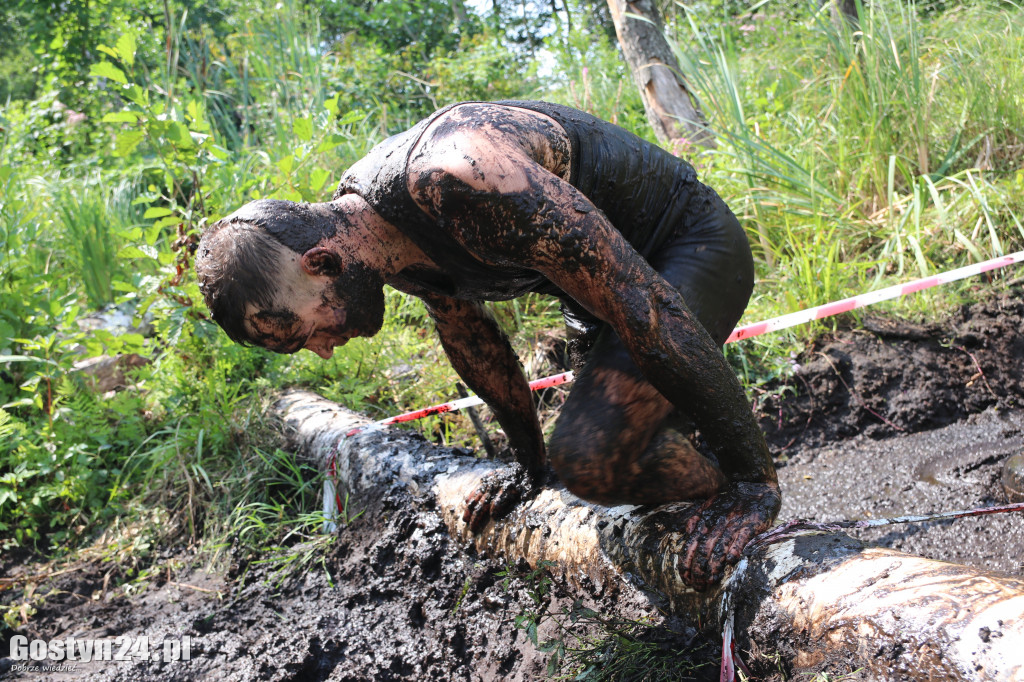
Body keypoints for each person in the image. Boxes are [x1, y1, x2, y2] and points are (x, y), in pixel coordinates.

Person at [195, 100, 780, 588]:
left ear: (320, 262)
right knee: (594, 466)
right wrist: (530, 465)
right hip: (601, 299)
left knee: (592, 454)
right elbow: (471, 337)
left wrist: (755, 484)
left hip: (686, 247)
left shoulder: (456, 177)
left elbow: (644, 303)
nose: (324, 348)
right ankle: (718, 494)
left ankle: (746, 496)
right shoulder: (374, 244)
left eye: (310, 328)